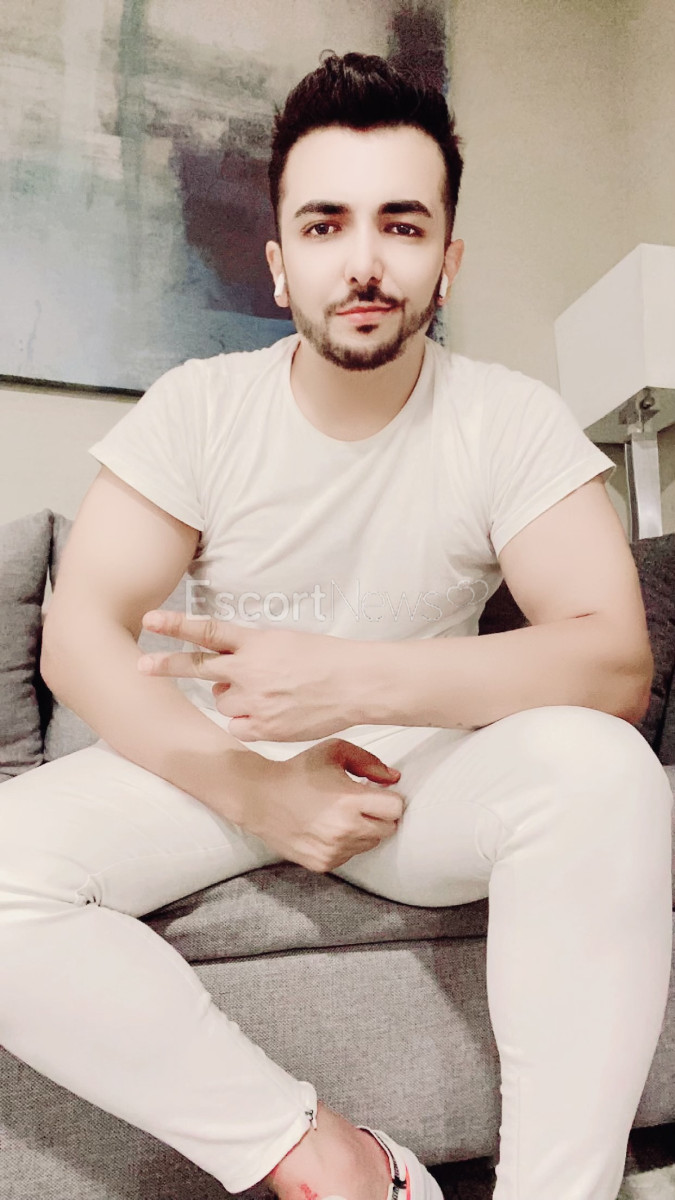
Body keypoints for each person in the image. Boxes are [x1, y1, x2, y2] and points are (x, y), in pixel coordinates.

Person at [0, 50, 672, 1200]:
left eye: (402, 226)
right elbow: (80, 637)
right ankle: (334, 1161)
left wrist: (353, 678)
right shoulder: (201, 408)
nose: (364, 262)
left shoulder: (508, 419)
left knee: (605, 771)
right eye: (324, 226)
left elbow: (613, 662)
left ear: (449, 260)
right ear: (278, 264)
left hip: (420, 780)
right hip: (217, 769)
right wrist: (258, 789)